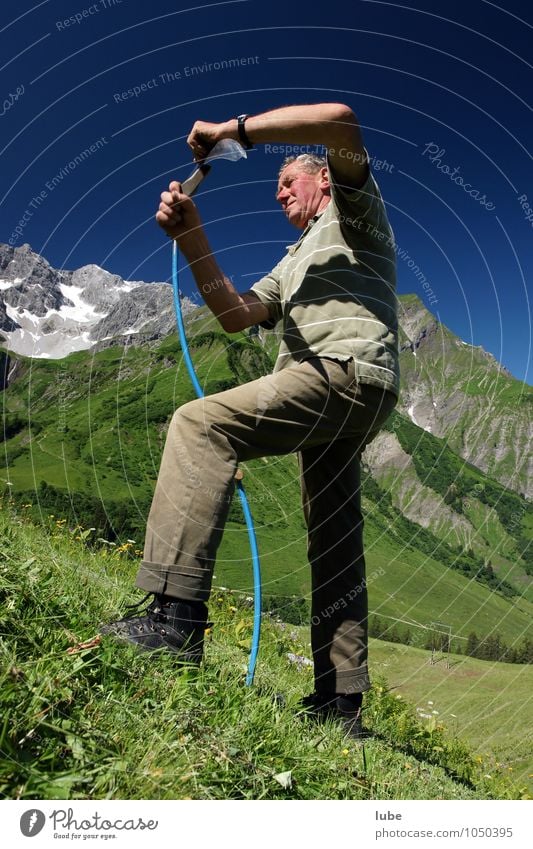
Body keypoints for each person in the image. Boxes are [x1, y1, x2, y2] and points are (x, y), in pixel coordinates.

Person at [103, 103, 399, 737]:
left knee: (201, 424)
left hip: (342, 368)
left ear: (324, 181)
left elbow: (340, 119)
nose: (279, 192)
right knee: (335, 536)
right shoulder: (291, 261)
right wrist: (192, 236)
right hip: (352, 394)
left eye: (288, 180)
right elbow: (237, 313)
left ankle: (174, 621)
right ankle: (340, 704)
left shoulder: (356, 213)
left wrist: (228, 132)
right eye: (275, 187)